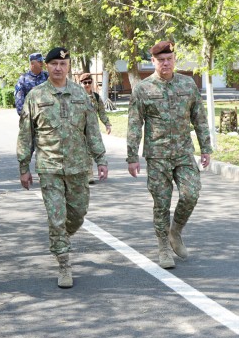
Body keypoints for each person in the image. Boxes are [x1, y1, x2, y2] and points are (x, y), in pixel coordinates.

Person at [17, 47, 108, 288]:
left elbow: (92, 130)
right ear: (47, 66)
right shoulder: (35, 96)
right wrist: (23, 166)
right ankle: (64, 263)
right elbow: (26, 134)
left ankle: (61, 238)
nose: (58, 67)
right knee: (56, 218)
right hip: (50, 168)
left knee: (77, 215)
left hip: (79, 167)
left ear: (69, 67)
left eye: (63, 63)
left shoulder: (81, 95)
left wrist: (101, 159)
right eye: (54, 63)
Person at [126, 40, 212, 269]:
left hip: (184, 152)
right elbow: (135, 124)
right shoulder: (143, 89)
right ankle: (163, 246)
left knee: (191, 193)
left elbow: (199, 119)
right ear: (153, 61)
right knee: (161, 203)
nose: (165, 63)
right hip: (157, 156)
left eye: (169, 59)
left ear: (174, 60)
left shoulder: (187, 84)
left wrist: (206, 148)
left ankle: (176, 231)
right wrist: (132, 156)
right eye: (160, 60)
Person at [79, 73, 112, 185]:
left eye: (89, 82)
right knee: (85, 152)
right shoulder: (77, 96)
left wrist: (107, 123)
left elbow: (101, 112)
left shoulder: (96, 97)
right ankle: (88, 174)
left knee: (95, 150)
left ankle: (95, 169)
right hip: (80, 129)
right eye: (85, 83)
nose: (87, 85)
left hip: (93, 130)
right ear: (81, 83)